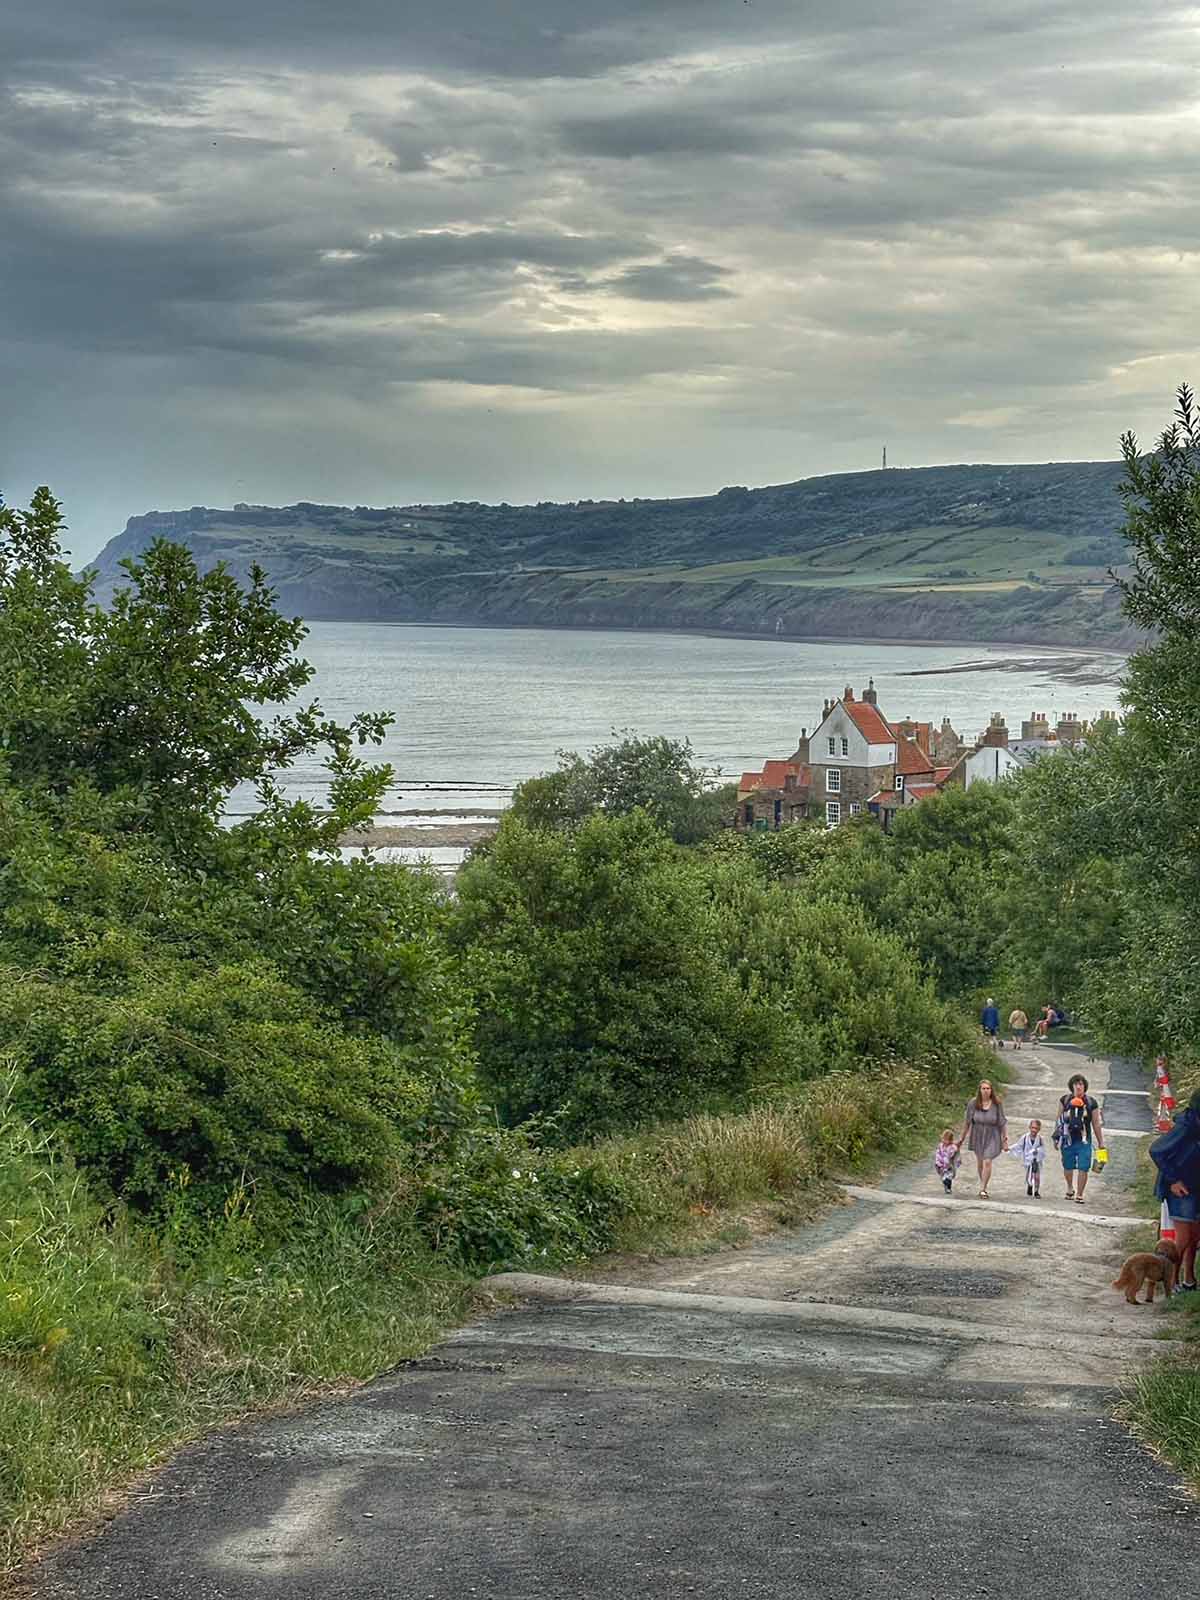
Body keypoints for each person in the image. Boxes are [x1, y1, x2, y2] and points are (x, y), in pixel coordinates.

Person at [1150, 1086, 1200, 1294]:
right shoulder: (1186, 1126)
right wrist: (1174, 1179)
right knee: (1184, 1237)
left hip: (1195, 1184)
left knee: (1195, 1235)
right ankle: (1170, 1280)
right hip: (1179, 1186)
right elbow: (1156, 1150)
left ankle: (1189, 1279)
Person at [1054, 1073, 1103, 1204]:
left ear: (1085, 1087)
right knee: (1067, 1165)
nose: (1078, 1086)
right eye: (1076, 1084)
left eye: (1081, 1084)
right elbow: (1058, 1120)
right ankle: (1070, 1188)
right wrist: (1056, 1138)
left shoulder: (1091, 1102)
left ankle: (1080, 1194)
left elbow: (1096, 1123)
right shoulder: (1064, 1100)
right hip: (1068, 1139)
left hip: (1084, 1140)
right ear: (1072, 1086)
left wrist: (1101, 1143)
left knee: (1084, 1166)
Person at [958, 1079, 1008, 1199]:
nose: (986, 1091)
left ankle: (983, 1189)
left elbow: (1002, 1122)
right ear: (979, 1090)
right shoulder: (973, 1103)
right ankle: (983, 1183)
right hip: (978, 1135)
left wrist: (1004, 1140)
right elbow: (967, 1122)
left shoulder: (997, 1103)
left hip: (992, 1135)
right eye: (983, 1088)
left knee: (987, 1161)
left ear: (991, 1090)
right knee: (980, 1162)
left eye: (988, 1089)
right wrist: (961, 1138)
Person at [1010, 1118, 1046, 1198]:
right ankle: (1029, 1185)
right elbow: (1018, 1145)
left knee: (1037, 1176)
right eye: (1032, 1128)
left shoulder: (1040, 1139)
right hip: (1027, 1159)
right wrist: (1010, 1148)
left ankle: (1036, 1191)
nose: (1034, 1130)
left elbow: (1043, 1149)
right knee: (1028, 1175)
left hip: (1036, 1160)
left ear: (1039, 1129)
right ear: (1029, 1127)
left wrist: (1038, 1151)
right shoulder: (1025, 1137)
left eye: (1036, 1128)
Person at [934, 1129, 961, 1194]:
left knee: (949, 1177)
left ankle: (948, 1188)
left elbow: (955, 1155)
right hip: (941, 1164)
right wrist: (938, 1161)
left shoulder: (953, 1147)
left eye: (947, 1140)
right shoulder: (940, 1146)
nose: (945, 1141)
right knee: (943, 1176)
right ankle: (946, 1186)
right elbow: (938, 1153)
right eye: (944, 1139)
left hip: (950, 1166)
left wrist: (953, 1156)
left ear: (950, 1140)